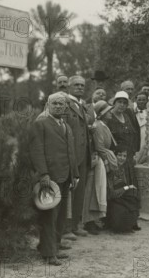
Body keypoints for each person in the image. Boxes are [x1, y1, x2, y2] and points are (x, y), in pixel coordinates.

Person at [30, 93, 79, 266]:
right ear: (48, 105)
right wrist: (43, 174)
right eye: (54, 103)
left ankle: (54, 246)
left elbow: (71, 153)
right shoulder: (40, 124)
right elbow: (37, 151)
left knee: (60, 215)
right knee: (49, 215)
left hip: (66, 177)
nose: (58, 106)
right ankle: (48, 254)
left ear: (66, 107)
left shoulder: (66, 126)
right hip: (50, 177)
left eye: (61, 104)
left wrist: (75, 175)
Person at [65, 76, 94, 238]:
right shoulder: (65, 104)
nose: (80, 88)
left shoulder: (82, 105)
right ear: (69, 87)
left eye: (82, 85)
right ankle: (66, 228)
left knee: (80, 192)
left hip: (84, 155)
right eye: (76, 85)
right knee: (68, 193)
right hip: (71, 155)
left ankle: (75, 224)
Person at [82, 101, 113, 235]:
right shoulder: (98, 126)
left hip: (101, 159)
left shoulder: (104, 126)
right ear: (102, 114)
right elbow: (100, 147)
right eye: (108, 111)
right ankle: (89, 222)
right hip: (97, 161)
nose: (111, 113)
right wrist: (108, 160)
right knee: (93, 190)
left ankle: (94, 220)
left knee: (98, 190)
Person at [106, 147, 141, 233]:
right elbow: (111, 194)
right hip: (113, 201)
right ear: (114, 155)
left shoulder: (122, 168)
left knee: (134, 194)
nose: (122, 158)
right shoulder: (110, 170)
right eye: (119, 155)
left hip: (122, 197)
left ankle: (131, 223)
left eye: (124, 156)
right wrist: (127, 188)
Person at [107, 91, 141, 162]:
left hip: (129, 156)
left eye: (125, 103)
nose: (122, 105)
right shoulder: (109, 117)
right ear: (114, 103)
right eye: (119, 102)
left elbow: (135, 134)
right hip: (115, 157)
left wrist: (134, 152)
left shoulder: (128, 116)